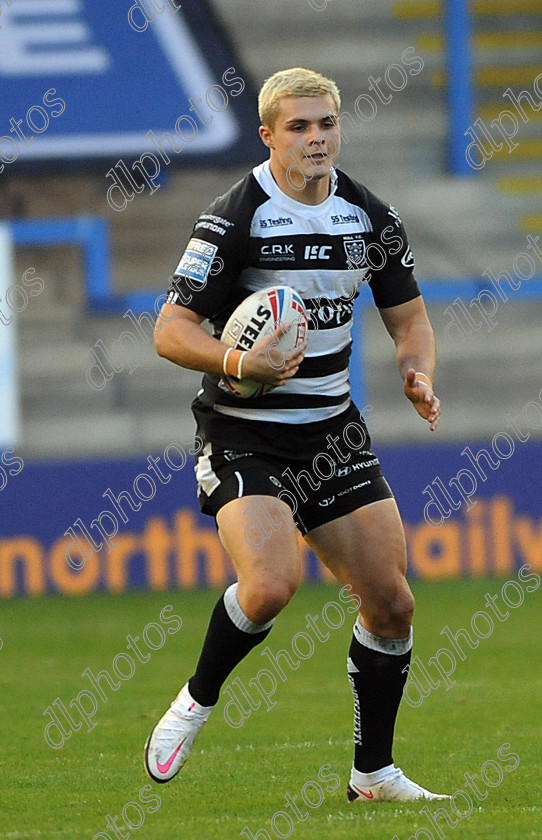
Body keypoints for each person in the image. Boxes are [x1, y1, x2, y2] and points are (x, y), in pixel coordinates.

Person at [145, 67, 448, 802]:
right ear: (269, 136)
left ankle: (371, 774)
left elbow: (409, 318)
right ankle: (196, 700)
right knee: (272, 584)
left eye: (327, 125)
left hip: (333, 434)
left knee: (394, 603)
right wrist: (240, 360)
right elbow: (170, 329)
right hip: (246, 431)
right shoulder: (235, 215)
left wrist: (416, 373)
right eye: (300, 127)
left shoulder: (368, 214)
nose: (317, 139)